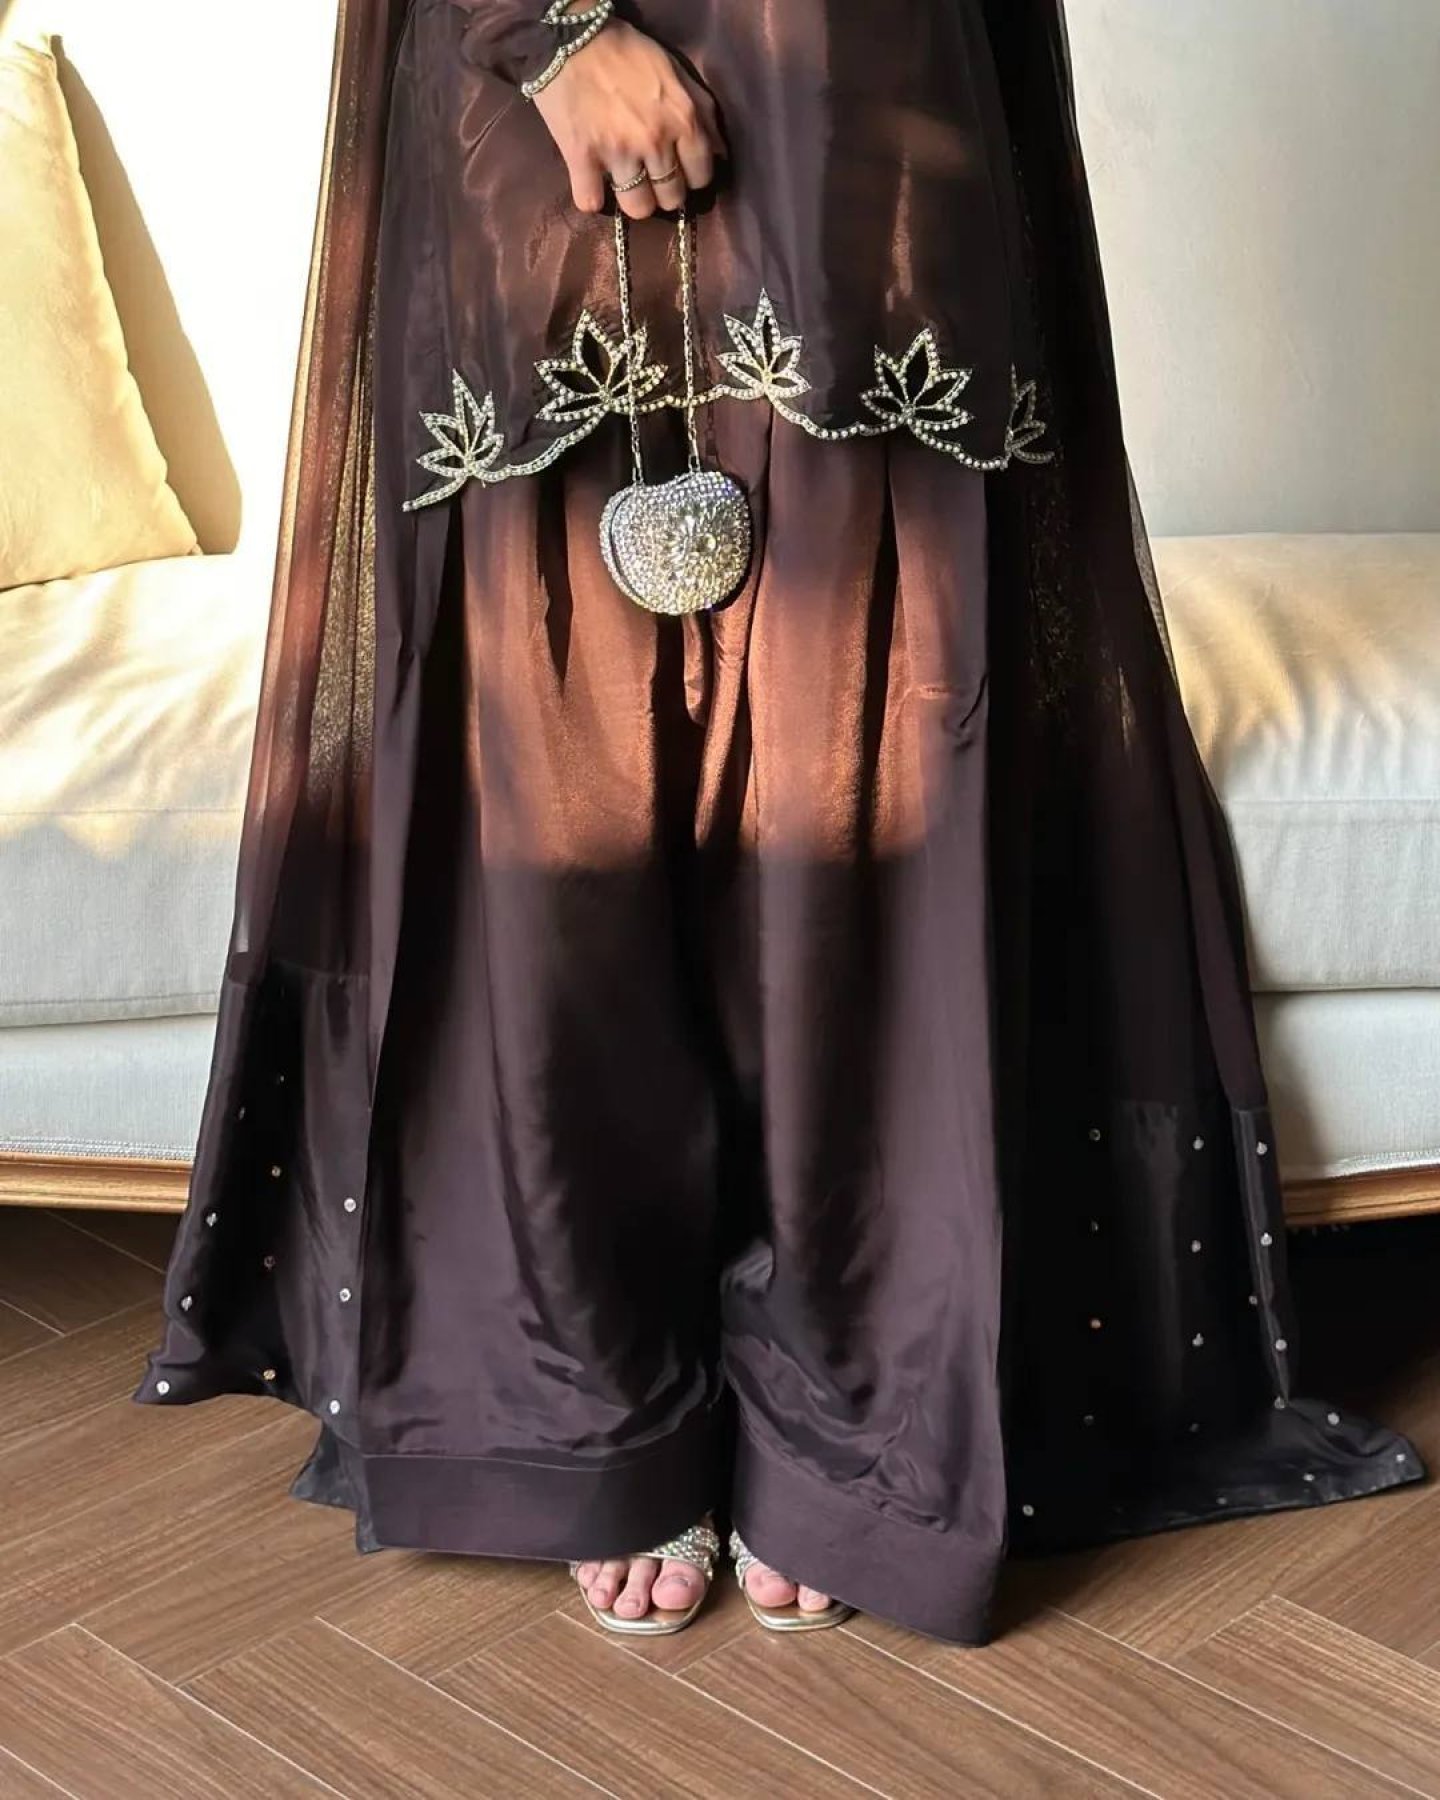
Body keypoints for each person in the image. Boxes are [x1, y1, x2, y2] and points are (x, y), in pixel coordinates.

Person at [135, 0, 1422, 1646]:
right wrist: (551, 36)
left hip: (858, 79)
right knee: (561, 786)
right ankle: (596, 1400)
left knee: (865, 757)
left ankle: (852, 1416)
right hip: (524, 124)